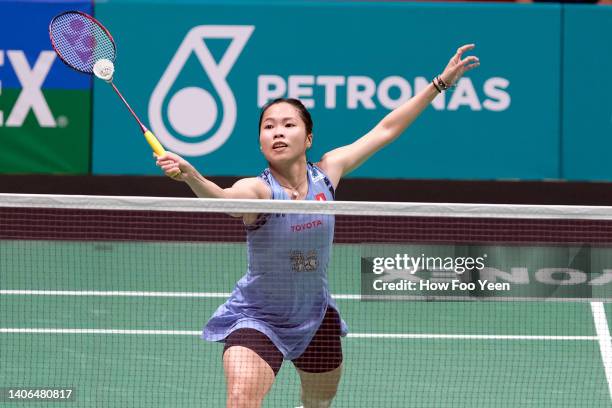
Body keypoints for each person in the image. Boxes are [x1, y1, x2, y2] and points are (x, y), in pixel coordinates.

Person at [156, 44, 479, 408]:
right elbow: (224, 200)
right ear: (261, 141)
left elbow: (386, 129)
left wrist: (439, 84)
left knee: (319, 402)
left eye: (288, 124)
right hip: (258, 317)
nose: (277, 132)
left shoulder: (327, 174)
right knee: (241, 400)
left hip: (314, 317)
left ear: (307, 139)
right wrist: (192, 176)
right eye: (268, 126)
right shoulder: (259, 190)